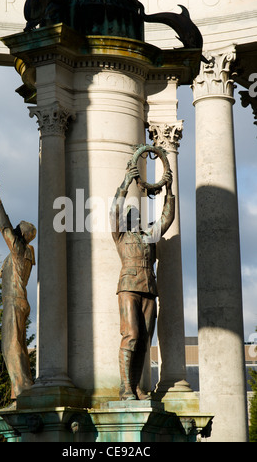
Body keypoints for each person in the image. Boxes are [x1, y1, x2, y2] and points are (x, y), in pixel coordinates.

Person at [110, 164, 175, 400]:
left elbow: (167, 218)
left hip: (149, 289)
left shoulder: (149, 236)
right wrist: (126, 182)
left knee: (144, 340)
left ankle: (135, 386)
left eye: (137, 216)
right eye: (131, 216)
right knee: (132, 335)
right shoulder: (120, 235)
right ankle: (125, 386)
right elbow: (114, 212)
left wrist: (169, 188)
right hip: (128, 288)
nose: (135, 219)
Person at [0, 167, 36, 398]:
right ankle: (22, 387)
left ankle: (23, 390)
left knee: (12, 346)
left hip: (14, 302)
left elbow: (3, 225)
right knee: (17, 346)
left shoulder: (19, 250)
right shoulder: (24, 253)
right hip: (19, 301)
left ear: (20, 234)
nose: (12, 234)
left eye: (16, 232)